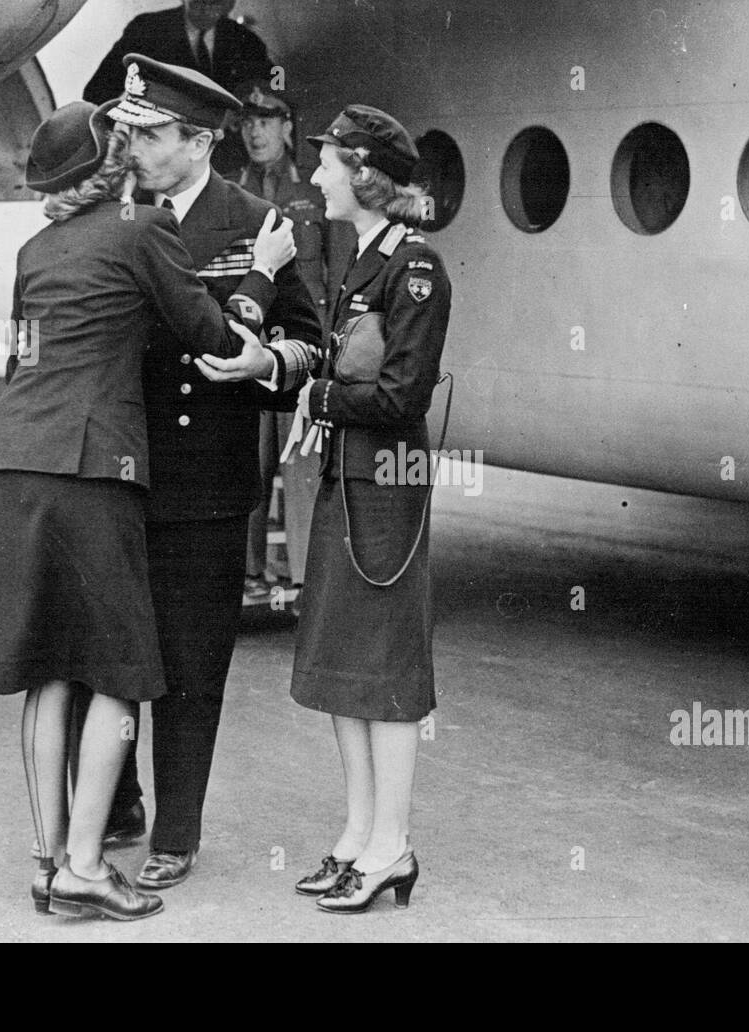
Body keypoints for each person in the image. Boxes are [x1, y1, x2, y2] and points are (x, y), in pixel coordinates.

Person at [0, 99, 285, 920]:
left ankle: (48, 860)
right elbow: (211, 336)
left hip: (12, 463)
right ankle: (83, 871)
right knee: (118, 669)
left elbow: (21, 354)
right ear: (111, 162)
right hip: (92, 467)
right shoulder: (141, 232)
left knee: (51, 669)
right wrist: (262, 275)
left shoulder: (37, 250)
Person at [100, 54, 322, 892]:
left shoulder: (255, 220)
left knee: (192, 663)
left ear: (199, 142)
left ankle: (177, 829)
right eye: (128, 132)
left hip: (204, 481)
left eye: (151, 135)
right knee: (111, 650)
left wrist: (265, 360)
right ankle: (114, 800)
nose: (135, 148)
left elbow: (312, 345)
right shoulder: (118, 214)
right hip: (118, 473)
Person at [286, 105, 451, 913]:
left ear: (363, 172)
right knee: (345, 665)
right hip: (349, 479)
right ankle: (358, 836)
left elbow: (398, 394)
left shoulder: (415, 269)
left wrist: (316, 392)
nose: (315, 176)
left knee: (384, 671)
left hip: (385, 485)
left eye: (325, 163)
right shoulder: (364, 260)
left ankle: (394, 847)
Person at [232, 80, 355, 602]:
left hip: (303, 352)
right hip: (251, 349)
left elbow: (339, 274)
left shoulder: (313, 196)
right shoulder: (231, 191)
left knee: (301, 464)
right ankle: (248, 576)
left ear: (288, 126)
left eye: (266, 120)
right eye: (247, 121)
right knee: (246, 465)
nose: (255, 131)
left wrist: (331, 353)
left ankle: (305, 584)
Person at [83, 1, 271, 174]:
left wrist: (241, 112)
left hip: (226, 161)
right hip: (161, 157)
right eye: (199, 3)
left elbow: (276, 87)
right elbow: (96, 92)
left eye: (215, 4)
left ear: (228, 5)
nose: (206, 11)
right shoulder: (147, 29)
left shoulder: (245, 40)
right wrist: (122, 138)